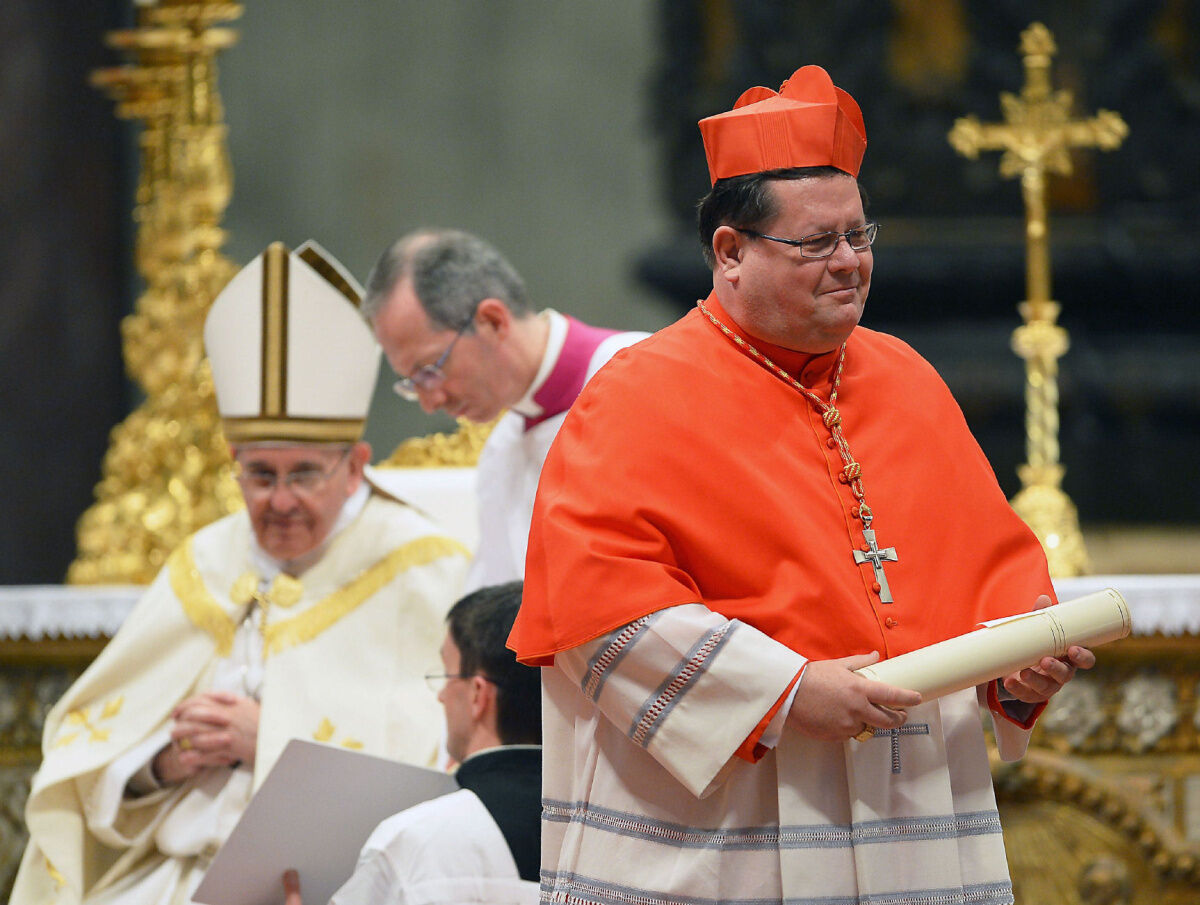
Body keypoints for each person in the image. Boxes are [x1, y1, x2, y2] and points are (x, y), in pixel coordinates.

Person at [508, 66, 1095, 905]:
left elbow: (987, 566)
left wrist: (1021, 661)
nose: (849, 263)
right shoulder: (637, 394)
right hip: (730, 818)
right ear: (730, 252)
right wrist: (780, 692)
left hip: (907, 795)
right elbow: (600, 610)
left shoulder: (906, 377)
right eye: (817, 243)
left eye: (860, 236)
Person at [12, 241, 470, 905]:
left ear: (355, 463)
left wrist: (271, 737)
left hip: (339, 886)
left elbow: (442, 758)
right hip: (170, 876)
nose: (278, 500)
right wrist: (165, 762)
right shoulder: (207, 559)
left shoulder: (423, 566)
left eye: (303, 474)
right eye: (258, 475)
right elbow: (86, 757)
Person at [361, 229, 647, 591]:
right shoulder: (500, 450)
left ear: (493, 321)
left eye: (430, 370)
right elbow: (493, 608)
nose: (429, 403)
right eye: (411, 382)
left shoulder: (642, 373)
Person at [282, 581, 541, 905]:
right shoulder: (608, 835)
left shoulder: (416, 844)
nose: (442, 696)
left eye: (447, 677)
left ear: (478, 694)